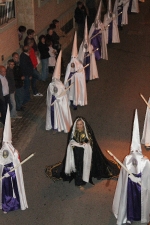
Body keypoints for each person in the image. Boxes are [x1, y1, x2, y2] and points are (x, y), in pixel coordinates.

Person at [45, 117, 120, 186]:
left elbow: (90, 141)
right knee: (78, 165)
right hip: (77, 152)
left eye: (81, 124)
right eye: (78, 124)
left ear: (83, 124)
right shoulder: (74, 132)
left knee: (85, 164)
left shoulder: (87, 132)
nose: (79, 126)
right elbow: (71, 140)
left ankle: (85, 176)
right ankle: (79, 178)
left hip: (85, 152)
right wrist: (74, 144)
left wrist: (86, 143)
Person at [112, 110, 150, 224]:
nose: (134, 152)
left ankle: (142, 216)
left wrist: (140, 180)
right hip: (129, 185)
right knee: (129, 200)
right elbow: (124, 175)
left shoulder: (145, 161)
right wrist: (130, 177)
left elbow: (148, 176)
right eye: (132, 150)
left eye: (136, 150)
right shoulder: (127, 159)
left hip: (140, 185)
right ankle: (129, 216)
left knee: (140, 200)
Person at [0, 105, 28, 213]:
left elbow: (17, 164)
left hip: (13, 174)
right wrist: (3, 172)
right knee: (5, 191)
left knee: (14, 190)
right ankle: (6, 205)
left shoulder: (14, 152)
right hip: (4, 174)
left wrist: (11, 173)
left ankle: (16, 203)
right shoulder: (2, 151)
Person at [46, 50, 72, 134]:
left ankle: (62, 125)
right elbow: (49, 93)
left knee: (60, 114)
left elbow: (64, 94)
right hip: (53, 102)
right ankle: (55, 127)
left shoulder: (61, 85)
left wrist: (59, 98)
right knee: (54, 114)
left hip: (59, 102)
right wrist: (50, 101)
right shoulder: (51, 84)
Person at [64, 32, 87, 110]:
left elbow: (82, 73)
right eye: (72, 57)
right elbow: (67, 73)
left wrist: (77, 74)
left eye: (74, 57)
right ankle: (70, 101)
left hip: (76, 81)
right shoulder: (69, 64)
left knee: (76, 92)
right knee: (71, 91)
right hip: (71, 81)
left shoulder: (79, 65)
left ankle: (75, 103)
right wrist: (66, 80)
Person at [78, 17, 99, 81]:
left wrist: (91, 53)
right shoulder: (82, 46)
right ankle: (85, 78)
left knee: (89, 69)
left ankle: (89, 76)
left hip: (89, 59)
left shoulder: (90, 46)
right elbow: (80, 53)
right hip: (84, 59)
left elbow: (92, 50)